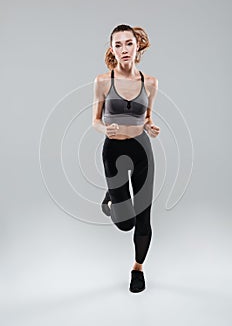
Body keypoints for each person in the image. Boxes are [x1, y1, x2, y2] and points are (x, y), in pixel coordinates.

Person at [92, 24, 160, 293]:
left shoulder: (150, 82)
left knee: (143, 217)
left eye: (128, 43)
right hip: (113, 151)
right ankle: (111, 197)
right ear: (112, 49)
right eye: (118, 45)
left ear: (137, 46)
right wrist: (103, 129)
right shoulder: (102, 81)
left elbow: (148, 118)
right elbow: (95, 121)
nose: (124, 50)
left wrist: (151, 127)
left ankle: (138, 269)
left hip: (141, 150)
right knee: (125, 223)